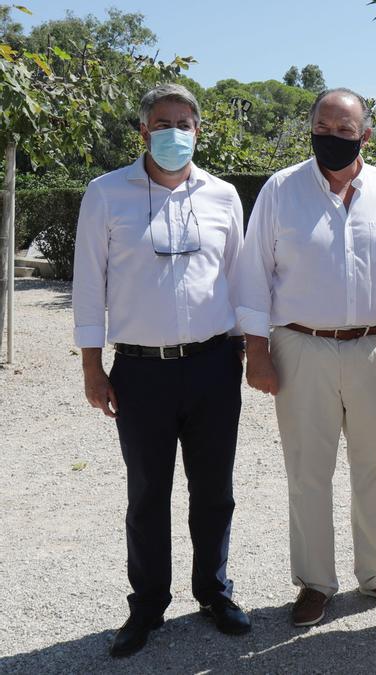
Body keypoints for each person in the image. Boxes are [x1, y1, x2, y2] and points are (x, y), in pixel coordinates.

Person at [72, 83, 251, 657]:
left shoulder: (222, 195)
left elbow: (240, 279)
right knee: (147, 491)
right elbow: (87, 285)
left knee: (214, 489)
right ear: (144, 131)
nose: (174, 131)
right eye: (162, 122)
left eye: (184, 122)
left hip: (213, 365)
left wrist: (249, 350)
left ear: (199, 131)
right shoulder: (106, 194)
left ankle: (214, 591)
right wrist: (92, 367)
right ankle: (147, 606)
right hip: (141, 372)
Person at [235, 87, 376, 627]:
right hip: (301, 346)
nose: (332, 137)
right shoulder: (281, 190)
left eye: (346, 130)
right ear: (310, 128)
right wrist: (257, 351)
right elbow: (254, 275)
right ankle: (315, 583)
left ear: (366, 134)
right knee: (307, 471)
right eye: (324, 126)